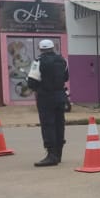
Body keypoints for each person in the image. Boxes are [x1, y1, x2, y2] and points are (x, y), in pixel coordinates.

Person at [27, 39, 69, 167]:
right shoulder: (62, 60)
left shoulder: (38, 61)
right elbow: (66, 77)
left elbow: (31, 82)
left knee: (48, 125)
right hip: (60, 96)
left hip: (45, 97)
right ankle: (58, 154)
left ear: (40, 49)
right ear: (52, 48)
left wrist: (39, 87)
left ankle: (51, 156)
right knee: (59, 124)